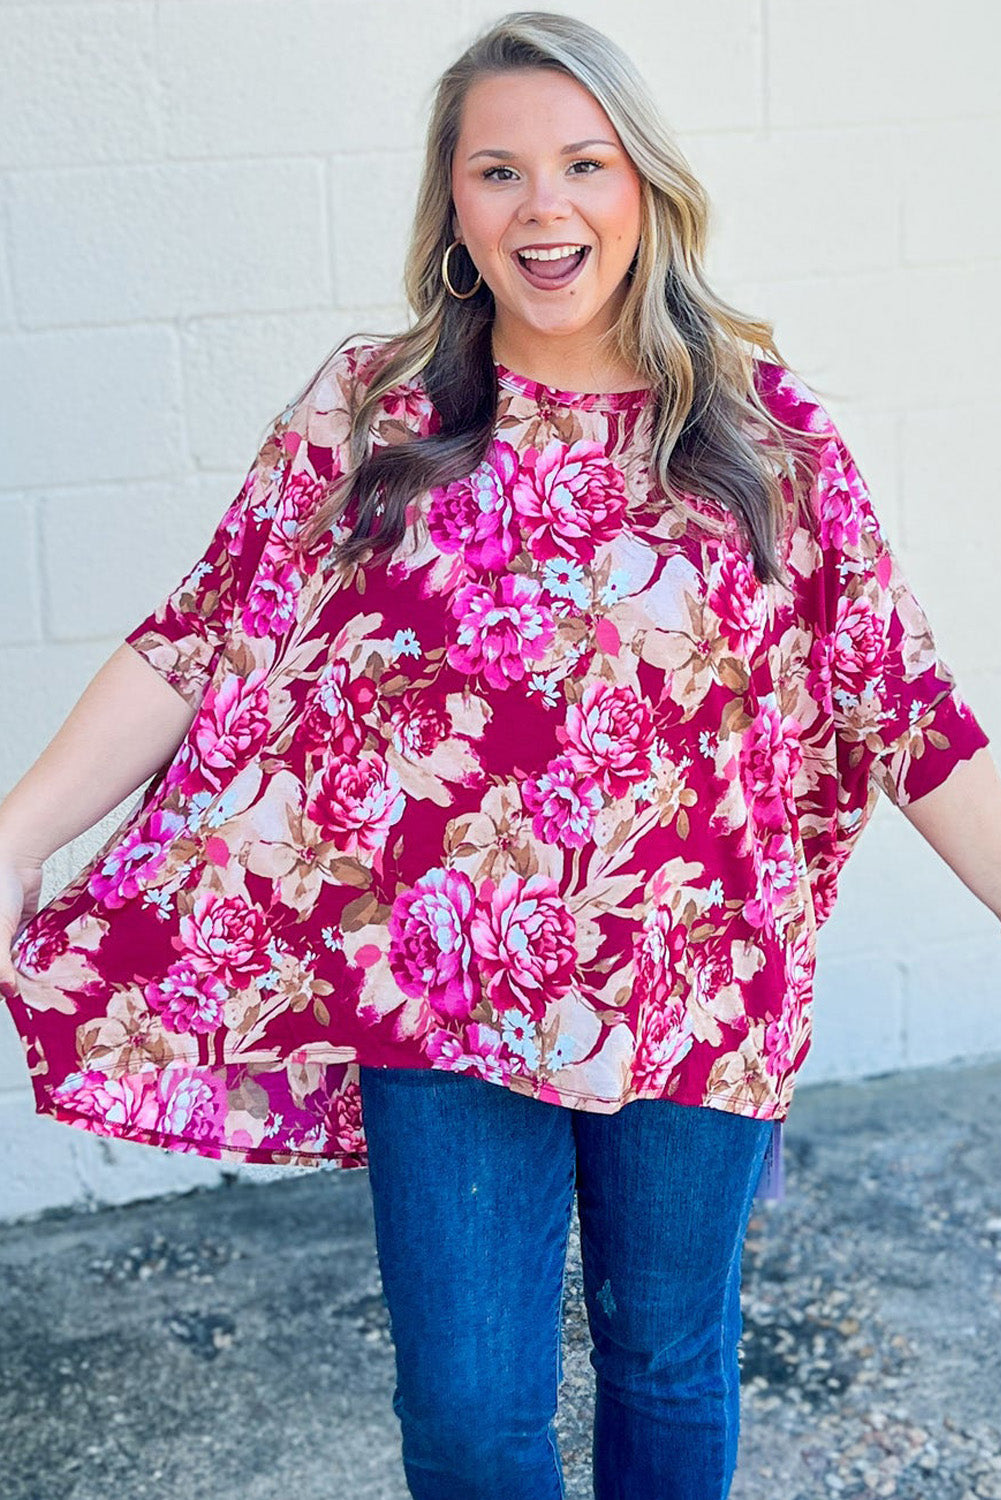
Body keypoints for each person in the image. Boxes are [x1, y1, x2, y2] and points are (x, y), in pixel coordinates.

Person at [1, 9, 999, 1498]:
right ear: (453, 206)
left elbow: (904, 710)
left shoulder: (762, 439)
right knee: (469, 1412)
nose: (546, 208)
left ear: (645, 188)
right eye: (499, 171)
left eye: (585, 164)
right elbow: (202, 636)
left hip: (694, 991)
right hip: (441, 991)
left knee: (665, 1362)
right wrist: (15, 836)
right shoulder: (373, 409)